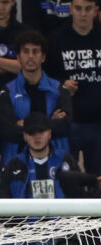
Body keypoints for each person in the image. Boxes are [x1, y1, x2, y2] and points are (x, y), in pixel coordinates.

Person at [0, 32, 73, 166]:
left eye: (35, 51)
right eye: (26, 52)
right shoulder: (7, 92)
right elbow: (8, 131)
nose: (30, 56)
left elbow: (64, 126)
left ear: (43, 57)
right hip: (16, 164)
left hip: (55, 163)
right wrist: (49, 122)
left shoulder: (59, 90)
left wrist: (24, 124)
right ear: (18, 57)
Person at [0, 111, 101, 201]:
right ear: (24, 136)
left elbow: (81, 197)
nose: (37, 136)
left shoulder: (66, 160)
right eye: (31, 132)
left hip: (63, 222)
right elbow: (2, 204)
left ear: (49, 133)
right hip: (25, 223)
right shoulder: (13, 165)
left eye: (41, 131)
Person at [47, 0, 101, 172]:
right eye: (78, 8)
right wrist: (62, 83)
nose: (83, 13)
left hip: (99, 122)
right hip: (69, 121)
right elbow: (45, 75)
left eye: (88, 9)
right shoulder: (56, 38)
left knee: (98, 180)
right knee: (67, 179)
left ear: (96, 11)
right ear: (70, 9)